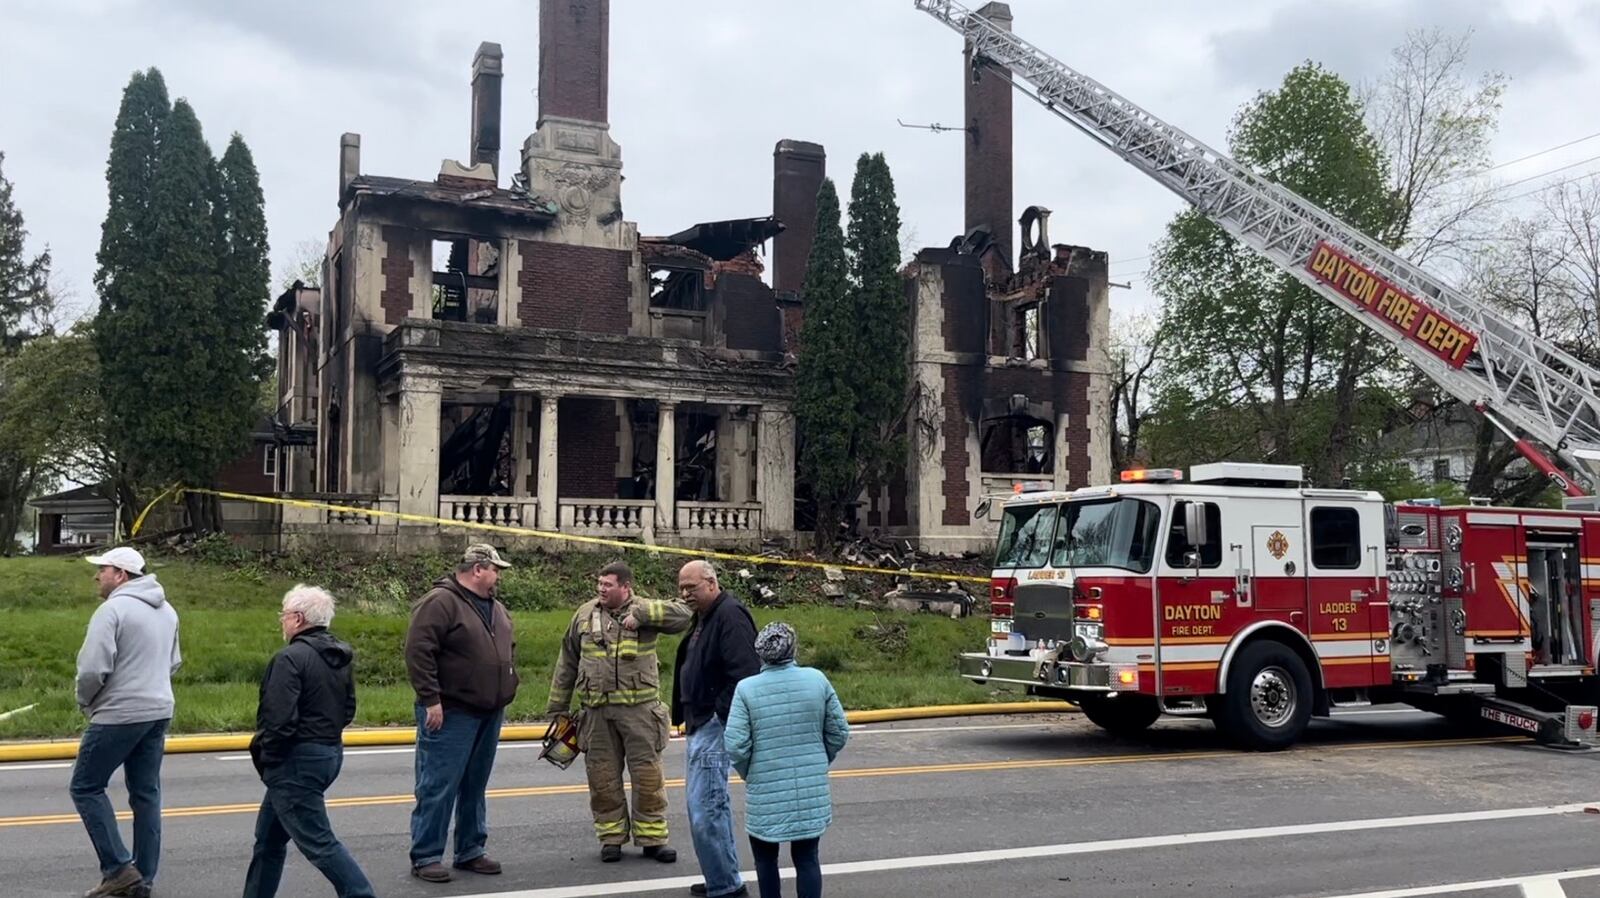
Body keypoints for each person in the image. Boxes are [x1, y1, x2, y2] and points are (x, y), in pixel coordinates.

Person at [548, 560, 692, 862]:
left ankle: (653, 839)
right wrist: (558, 708)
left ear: (626, 587)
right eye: (599, 584)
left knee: (648, 778)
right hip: (596, 713)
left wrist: (641, 615)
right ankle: (611, 838)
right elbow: (567, 662)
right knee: (602, 779)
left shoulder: (645, 610)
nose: (601, 589)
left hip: (640, 713)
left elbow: (685, 614)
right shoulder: (584, 614)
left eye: (608, 585)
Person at [242, 585, 375, 898]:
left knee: (319, 842)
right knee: (269, 840)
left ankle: (360, 893)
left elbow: (278, 720)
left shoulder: (289, 659)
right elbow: (348, 709)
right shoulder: (339, 657)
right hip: (328, 753)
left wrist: (268, 757)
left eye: (284, 615)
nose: (282, 622)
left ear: (298, 619)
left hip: (295, 762)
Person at [404, 544, 519, 884]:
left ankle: (470, 849)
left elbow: (507, 648)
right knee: (438, 783)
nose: (499, 576)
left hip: (489, 708)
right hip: (452, 710)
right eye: (496, 569)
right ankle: (426, 855)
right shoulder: (440, 602)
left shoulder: (496, 607)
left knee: (474, 783)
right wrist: (430, 699)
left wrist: (510, 679)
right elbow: (418, 650)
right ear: (478, 569)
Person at [71, 546, 181, 898]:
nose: (97, 576)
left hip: (119, 713)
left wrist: (85, 700)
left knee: (86, 787)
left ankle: (118, 868)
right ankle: (142, 878)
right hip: (158, 710)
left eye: (102, 569)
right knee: (146, 794)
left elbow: (92, 669)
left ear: (121, 575)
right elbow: (173, 662)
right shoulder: (168, 612)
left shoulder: (113, 609)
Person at [725, 623, 850, 898]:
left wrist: (751, 772)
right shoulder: (817, 679)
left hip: (764, 791)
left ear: (760, 654)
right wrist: (819, 759)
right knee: (807, 859)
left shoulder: (746, 689)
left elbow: (735, 745)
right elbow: (839, 731)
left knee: (765, 859)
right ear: (793, 648)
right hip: (809, 789)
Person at [671, 559, 761, 898]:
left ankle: (726, 886)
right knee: (700, 807)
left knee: (707, 808)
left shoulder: (730, 616)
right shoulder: (705, 616)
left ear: (711, 583)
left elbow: (746, 673)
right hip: (699, 722)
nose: (685, 594)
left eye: (691, 587)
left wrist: (715, 713)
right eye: (681, 588)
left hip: (713, 724)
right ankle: (720, 877)